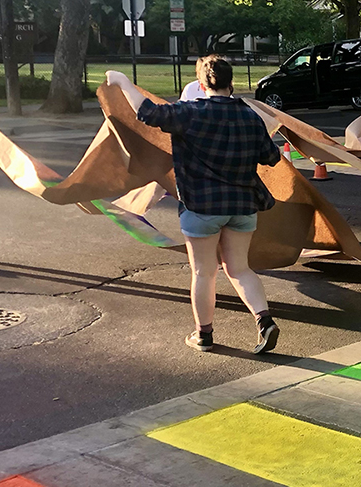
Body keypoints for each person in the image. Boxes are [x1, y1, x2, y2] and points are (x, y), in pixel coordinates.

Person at [105, 56, 282, 354]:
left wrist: (123, 81)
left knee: (204, 272)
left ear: (200, 85)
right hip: (242, 205)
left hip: (200, 206)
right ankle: (265, 321)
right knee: (239, 268)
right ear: (232, 83)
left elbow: (145, 112)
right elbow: (271, 158)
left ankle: (204, 336)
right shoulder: (249, 116)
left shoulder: (189, 113)